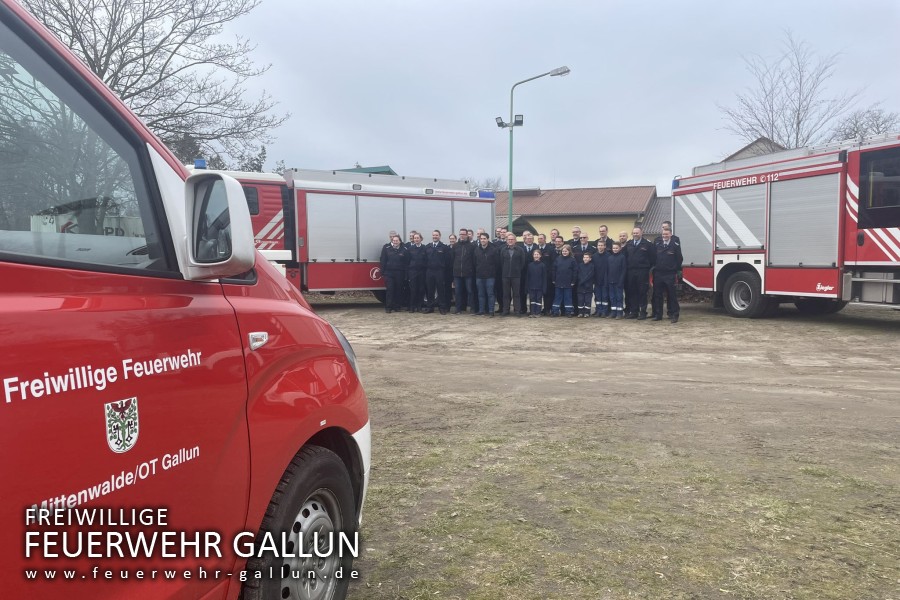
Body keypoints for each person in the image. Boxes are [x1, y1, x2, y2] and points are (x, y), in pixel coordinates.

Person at [652, 228, 683, 323]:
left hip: (670, 274)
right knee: (657, 295)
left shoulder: (675, 245)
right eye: (663, 234)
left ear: (670, 234)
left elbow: (679, 259)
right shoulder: (657, 245)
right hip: (658, 273)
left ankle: (674, 315)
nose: (664, 236)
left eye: (666, 234)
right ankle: (658, 315)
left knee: (672, 295)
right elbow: (653, 258)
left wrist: (674, 269)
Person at [624, 226, 655, 319]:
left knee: (642, 292)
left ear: (641, 233)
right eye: (634, 233)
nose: (635, 234)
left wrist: (647, 268)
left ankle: (643, 312)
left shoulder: (647, 244)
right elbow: (625, 257)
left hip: (642, 271)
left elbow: (653, 258)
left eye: (637, 233)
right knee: (632, 292)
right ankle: (634, 312)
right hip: (631, 271)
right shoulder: (628, 244)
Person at [499, 232, 527, 316]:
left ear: (515, 241)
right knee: (506, 294)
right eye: (509, 239)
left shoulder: (520, 250)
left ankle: (517, 310)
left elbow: (522, 262)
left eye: (512, 239)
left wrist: (517, 270)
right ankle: (505, 310)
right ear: (506, 241)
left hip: (516, 275)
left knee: (516, 294)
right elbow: (501, 262)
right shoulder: (503, 250)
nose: (510, 241)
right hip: (505, 275)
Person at [424, 229, 450, 314]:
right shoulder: (428, 247)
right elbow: (424, 260)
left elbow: (447, 261)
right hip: (429, 271)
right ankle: (430, 307)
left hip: (440, 272)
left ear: (440, 236)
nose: (435, 236)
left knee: (441, 290)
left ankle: (442, 308)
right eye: (434, 235)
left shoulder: (444, 247)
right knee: (430, 290)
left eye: (436, 235)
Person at [380, 235, 408, 313]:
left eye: (397, 240)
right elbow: (383, 260)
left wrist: (406, 274)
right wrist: (382, 272)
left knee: (399, 290)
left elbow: (406, 263)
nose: (395, 242)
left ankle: (397, 307)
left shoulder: (404, 249)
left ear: (400, 241)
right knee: (390, 290)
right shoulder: (386, 248)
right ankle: (389, 307)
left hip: (400, 273)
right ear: (392, 241)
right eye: (394, 240)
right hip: (389, 273)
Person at [473, 233, 500, 317]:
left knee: (490, 294)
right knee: (480, 294)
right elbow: (474, 263)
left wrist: (492, 272)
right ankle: (481, 310)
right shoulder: (476, 250)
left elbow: (497, 263)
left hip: (490, 276)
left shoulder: (493, 250)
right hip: (479, 276)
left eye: (484, 238)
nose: (483, 240)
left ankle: (491, 311)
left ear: (488, 239)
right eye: (481, 239)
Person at [451, 228, 475, 314]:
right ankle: (458, 309)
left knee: (470, 291)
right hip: (457, 273)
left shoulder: (472, 246)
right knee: (458, 292)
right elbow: (452, 259)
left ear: (467, 235)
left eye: (464, 234)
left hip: (468, 273)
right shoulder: (455, 246)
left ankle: (472, 308)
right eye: (460, 234)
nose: (462, 236)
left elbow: (474, 260)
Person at [551, 244, 576, 317]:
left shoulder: (572, 260)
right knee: (557, 297)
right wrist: (553, 279)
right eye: (563, 251)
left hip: (568, 283)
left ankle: (568, 312)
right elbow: (554, 270)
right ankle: (555, 311)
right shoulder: (558, 259)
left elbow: (575, 271)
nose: (564, 252)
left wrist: (573, 281)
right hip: (558, 282)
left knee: (568, 298)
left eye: (566, 251)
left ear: (569, 251)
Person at [519, 231, 539, 313]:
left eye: (531, 239)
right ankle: (523, 309)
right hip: (522, 273)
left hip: (533, 274)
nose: (529, 240)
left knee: (533, 293)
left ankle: (533, 310)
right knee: (522, 292)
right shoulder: (520, 248)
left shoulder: (537, 248)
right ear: (524, 239)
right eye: (528, 239)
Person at [406, 232, 427, 312]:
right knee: (413, 290)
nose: (416, 239)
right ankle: (412, 307)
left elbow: (426, 260)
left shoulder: (425, 248)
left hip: (422, 272)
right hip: (413, 272)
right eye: (415, 238)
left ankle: (419, 306)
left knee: (421, 289)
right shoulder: (410, 249)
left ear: (421, 239)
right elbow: (407, 262)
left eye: (418, 238)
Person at [607, 242, 626, 319]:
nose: (615, 249)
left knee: (619, 297)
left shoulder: (622, 257)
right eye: (613, 248)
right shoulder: (609, 258)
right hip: (610, 281)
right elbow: (607, 270)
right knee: (612, 297)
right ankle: (613, 312)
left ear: (620, 248)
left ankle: (619, 313)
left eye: (616, 248)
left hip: (618, 282)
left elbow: (623, 270)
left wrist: (621, 281)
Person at [538, 234, 556, 315]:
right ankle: (537, 309)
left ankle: (547, 309)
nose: (540, 240)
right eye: (538, 239)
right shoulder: (536, 248)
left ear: (545, 239)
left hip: (547, 275)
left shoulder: (550, 249)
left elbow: (553, 262)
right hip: (537, 275)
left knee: (547, 293)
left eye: (541, 238)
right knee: (538, 293)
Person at [526, 249, 546, 317]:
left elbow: (544, 277)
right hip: (531, 286)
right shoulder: (530, 265)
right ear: (533, 256)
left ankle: (538, 312)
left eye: (537, 254)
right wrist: (527, 286)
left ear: (540, 256)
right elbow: (528, 277)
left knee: (538, 300)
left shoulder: (543, 265)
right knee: (532, 299)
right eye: (535, 254)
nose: (536, 256)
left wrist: (544, 287)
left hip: (539, 286)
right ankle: (532, 312)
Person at [592, 240, 610, 317]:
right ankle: (598, 310)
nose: (600, 247)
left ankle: (604, 311)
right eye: (599, 245)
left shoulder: (608, 256)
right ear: (597, 246)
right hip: (597, 280)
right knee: (598, 296)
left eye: (602, 245)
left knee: (605, 296)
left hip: (605, 279)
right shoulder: (594, 256)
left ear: (605, 246)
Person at [576, 252, 595, 317]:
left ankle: (587, 313)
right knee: (580, 300)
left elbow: (590, 275)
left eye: (587, 257)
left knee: (587, 300)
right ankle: (580, 312)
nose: (585, 259)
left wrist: (584, 281)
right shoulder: (580, 265)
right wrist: (581, 281)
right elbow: (578, 274)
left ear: (590, 259)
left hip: (588, 286)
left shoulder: (592, 266)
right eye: (584, 257)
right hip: (580, 286)